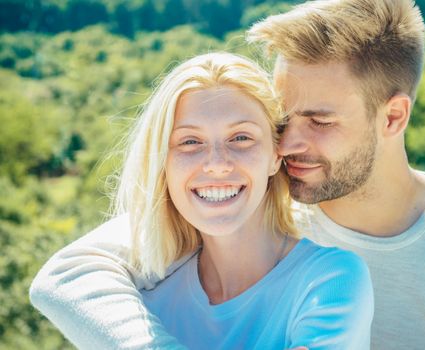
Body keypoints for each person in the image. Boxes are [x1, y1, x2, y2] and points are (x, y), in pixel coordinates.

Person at [30, 0, 425, 349]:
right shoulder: (249, 197)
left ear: (393, 117)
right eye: (283, 121)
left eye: (321, 121)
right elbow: (71, 274)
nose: (287, 144)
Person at [31, 51, 374, 349]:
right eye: (190, 142)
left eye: (241, 138)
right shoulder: (140, 299)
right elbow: (57, 279)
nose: (217, 163)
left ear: (275, 154)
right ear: (163, 164)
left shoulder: (330, 279)